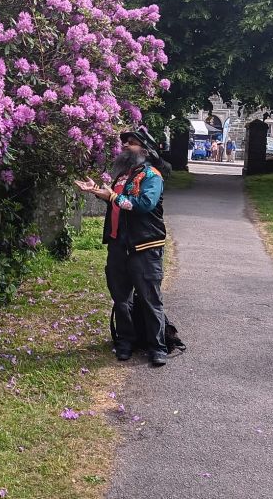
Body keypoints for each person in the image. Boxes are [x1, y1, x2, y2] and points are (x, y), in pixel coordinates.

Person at [75, 127, 170, 367]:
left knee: (150, 299)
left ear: (145, 150)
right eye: (125, 142)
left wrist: (112, 197)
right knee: (121, 298)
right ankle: (125, 342)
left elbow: (144, 204)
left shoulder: (152, 176)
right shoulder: (122, 176)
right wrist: (99, 192)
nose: (126, 145)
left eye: (133, 142)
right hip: (119, 245)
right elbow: (116, 201)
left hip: (145, 246)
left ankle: (157, 347)